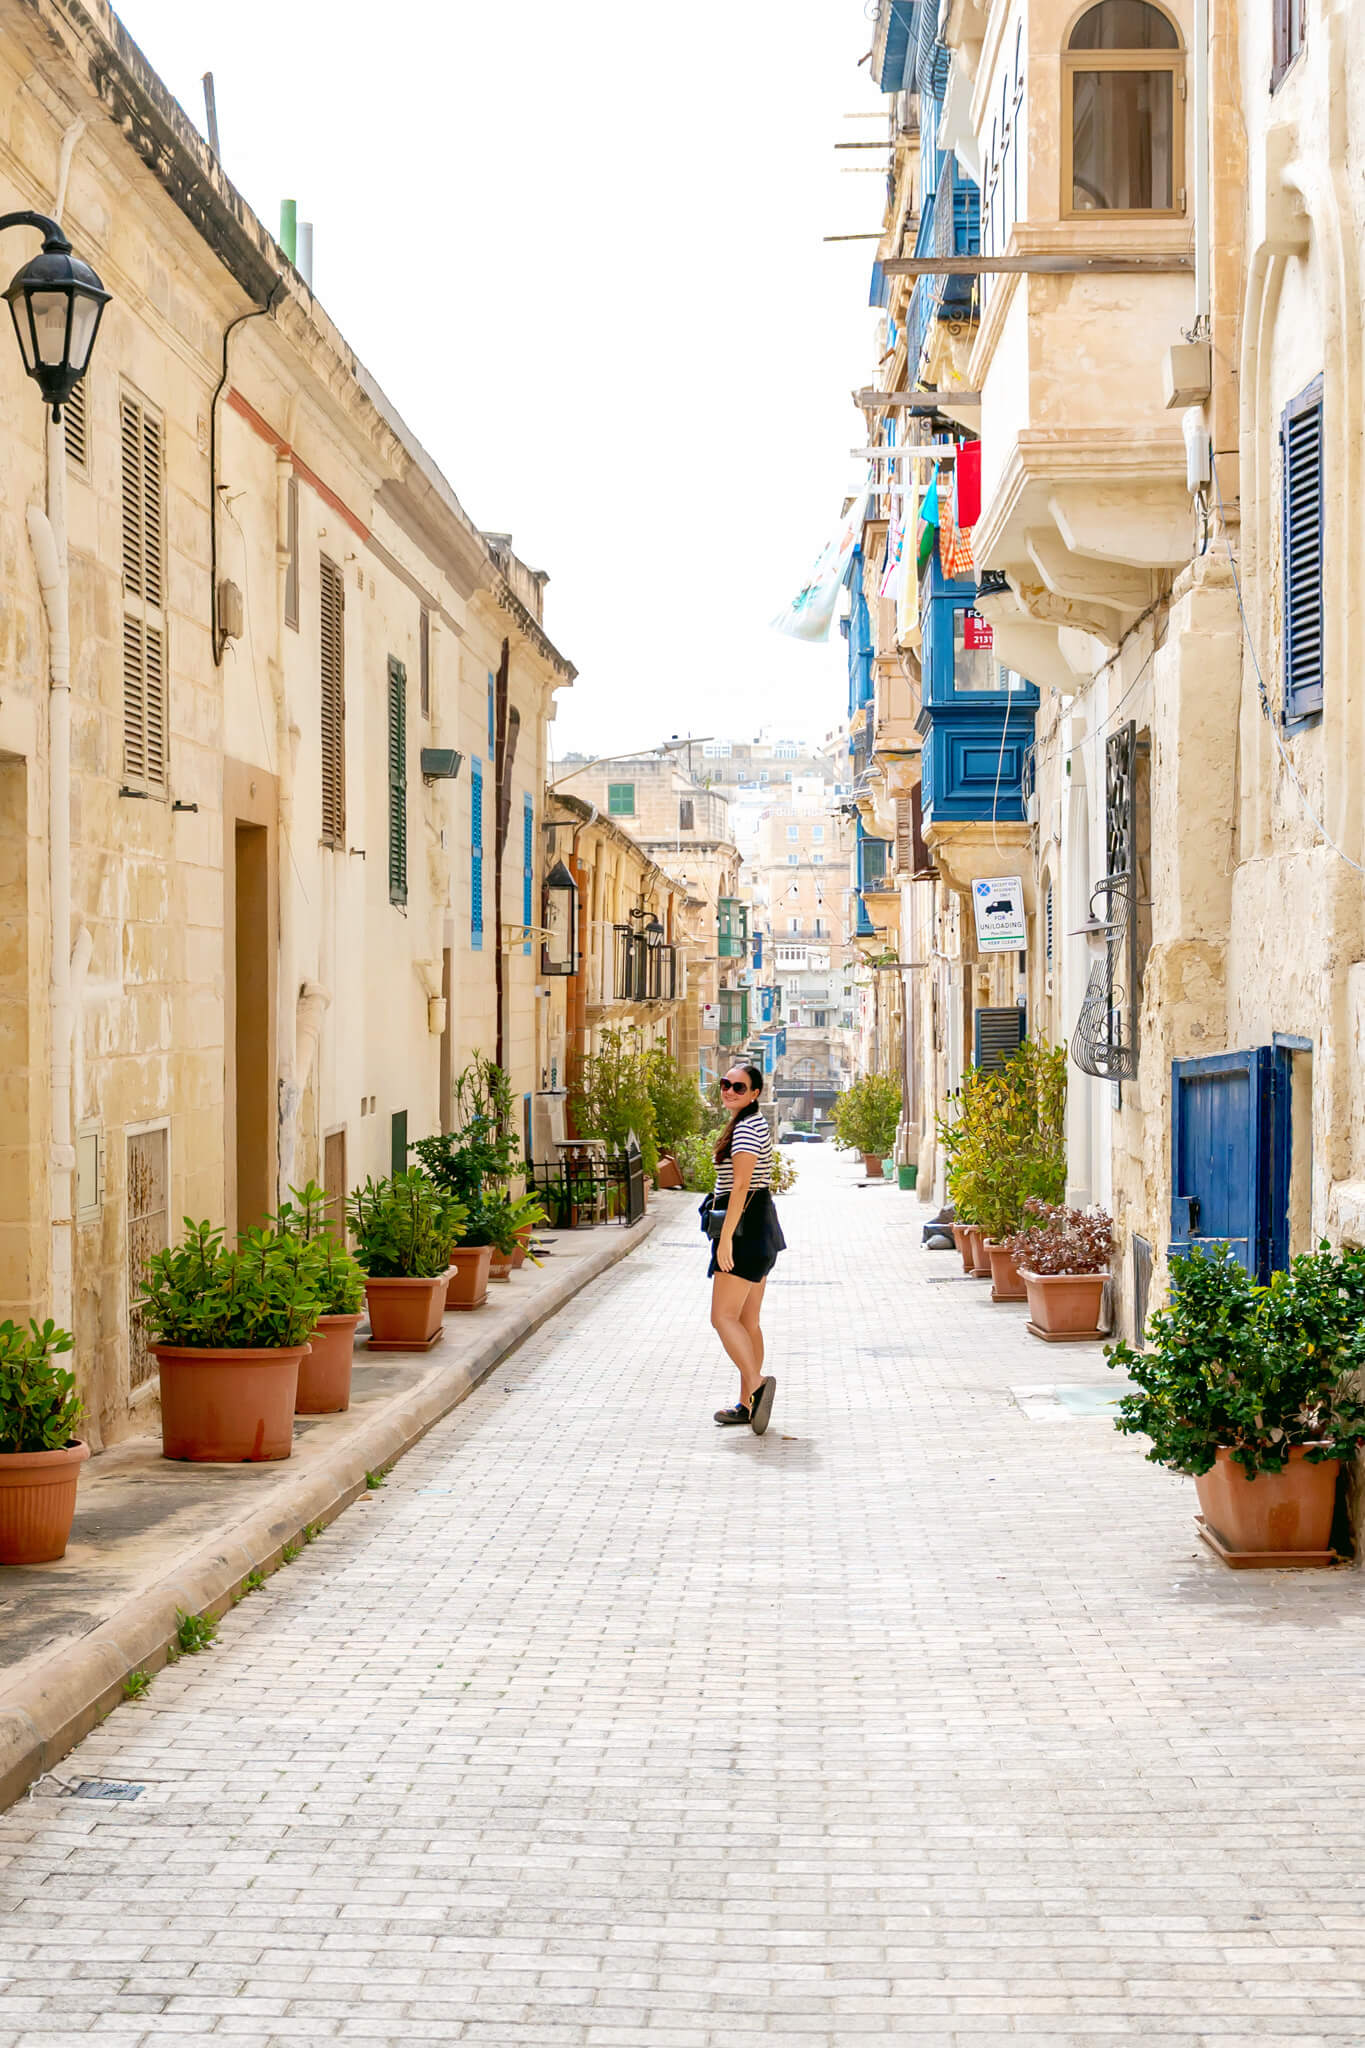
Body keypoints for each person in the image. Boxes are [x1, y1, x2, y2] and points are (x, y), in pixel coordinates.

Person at [706, 1063, 786, 1434]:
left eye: (739, 1087)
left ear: (755, 1094)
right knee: (747, 1320)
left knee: (722, 1317)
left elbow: (740, 1187)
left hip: (744, 1230)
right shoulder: (750, 1123)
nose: (729, 1091)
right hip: (759, 1226)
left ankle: (755, 1386)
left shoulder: (747, 1130)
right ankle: (745, 1404)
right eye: (726, 1084)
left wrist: (725, 1239)